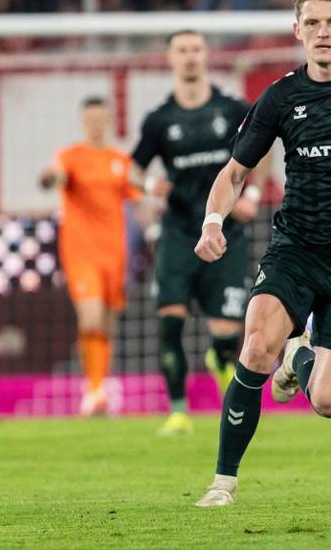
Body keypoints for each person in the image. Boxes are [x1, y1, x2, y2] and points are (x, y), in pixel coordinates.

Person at [192, 0, 331, 507]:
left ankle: (299, 358)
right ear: (297, 30)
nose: (322, 32)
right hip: (297, 248)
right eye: (312, 23)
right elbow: (234, 172)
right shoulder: (281, 96)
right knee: (255, 345)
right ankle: (222, 483)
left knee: (328, 402)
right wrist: (213, 221)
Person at [129, 30, 269, 436]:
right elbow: (133, 171)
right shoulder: (159, 120)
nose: (189, 57)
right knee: (169, 321)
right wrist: (148, 186)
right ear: (170, 59)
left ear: (206, 56)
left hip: (226, 232)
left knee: (227, 334)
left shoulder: (233, 109)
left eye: (195, 49)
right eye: (182, 50)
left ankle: (219, 358)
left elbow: (261, 152)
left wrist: (252, 195)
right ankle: (177, 413)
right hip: (178, 234)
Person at [39, 97, 140, 416]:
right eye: (90, 120)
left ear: (109, 122)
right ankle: (93, 391)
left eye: (101, 119)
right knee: (91, 318)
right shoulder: (70, 156)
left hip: (115, 253)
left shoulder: (119, 160)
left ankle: (99, 386)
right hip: (81, 252)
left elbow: (137, 197)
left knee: (107, 324)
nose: (95, 125)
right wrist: (52, 179)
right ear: (83, 123)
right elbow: (56, 175)